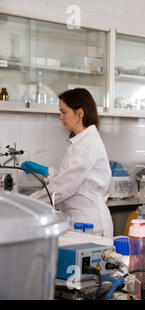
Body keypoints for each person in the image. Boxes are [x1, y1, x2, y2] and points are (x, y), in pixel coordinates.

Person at [21, 88, 113, 237]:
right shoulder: (82, 141)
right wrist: (48, 172)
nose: (60, 117)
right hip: (81, 220)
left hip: (88, 224)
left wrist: (28, 202)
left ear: (80, 113)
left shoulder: (86, 144)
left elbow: (64, 187)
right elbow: (71, 178)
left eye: (64, 112)